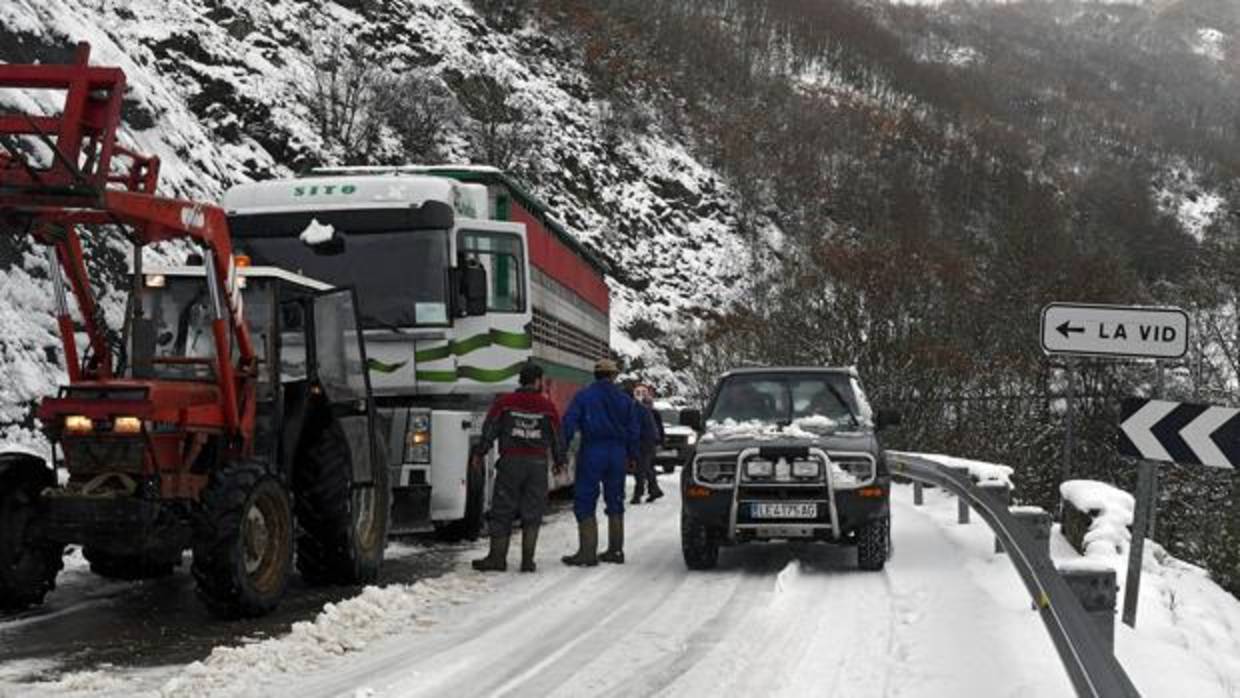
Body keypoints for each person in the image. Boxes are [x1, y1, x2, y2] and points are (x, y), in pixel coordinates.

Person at [471, 363, 567, 573]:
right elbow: (557, 437)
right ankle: (527, 560)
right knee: (532, 511)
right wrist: (560, 462)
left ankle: (497, 558)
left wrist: (480, 453)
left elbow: (490, 429)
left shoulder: (504, 403)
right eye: (541, 380)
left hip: (510, 464)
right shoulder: (547, 407)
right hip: (537, 465)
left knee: (503, 510)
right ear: (536, 381)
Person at [561, 358, 641, 566]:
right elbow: (634, 431)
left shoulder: (584, 396)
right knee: (615, 500)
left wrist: (561, 450)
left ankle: (587, 552)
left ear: (595, 375)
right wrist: (632, 456)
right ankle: (616, 550)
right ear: (613, 375)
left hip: (592, 450)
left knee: (585, 499)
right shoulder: (625, 400)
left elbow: (569, 423)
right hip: (617, 452)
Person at [631, 384, 665, 504]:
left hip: (644, 443)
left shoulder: (640, 412)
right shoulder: (647, 413)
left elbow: (638, 429)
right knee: (646, 467)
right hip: (648, 442)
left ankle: (639, 493)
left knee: (641, 469)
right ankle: (654, 490)